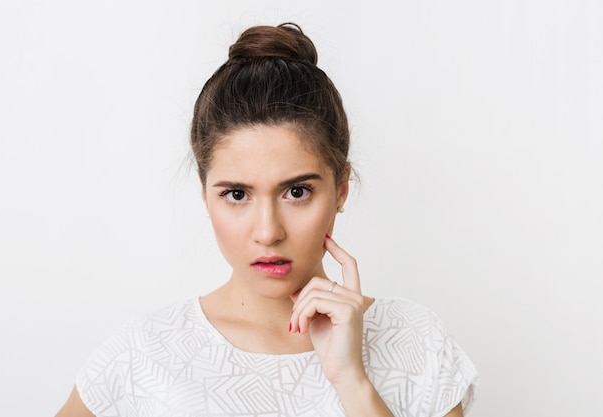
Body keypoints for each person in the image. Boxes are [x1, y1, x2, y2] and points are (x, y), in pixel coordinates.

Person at [56, 23, 478, 417]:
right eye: (236, 195)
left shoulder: (416, 343)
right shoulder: (143, 356)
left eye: (297, 192)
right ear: (205, 194)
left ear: (342, 188)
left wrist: (352, 382)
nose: (267, 232)